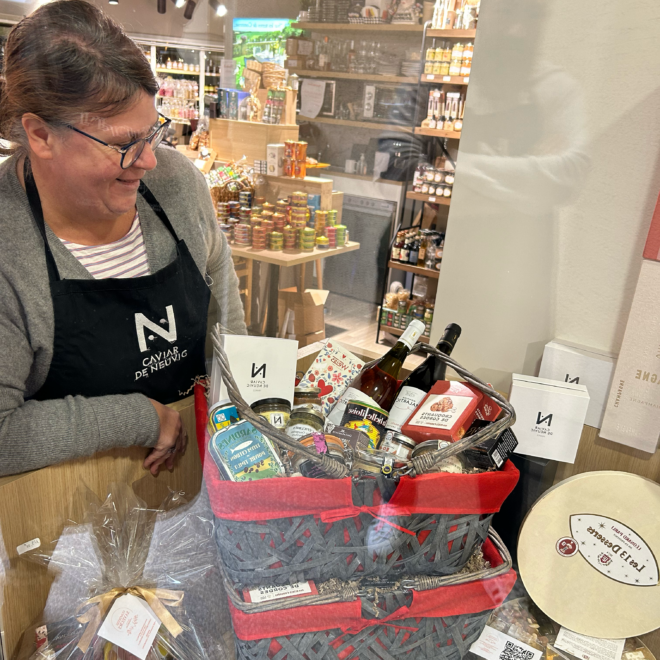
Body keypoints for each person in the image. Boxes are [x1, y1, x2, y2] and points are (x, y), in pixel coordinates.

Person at [0, 0, 247, 477]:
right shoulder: (10, 248)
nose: (149, 160)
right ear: (41, 135)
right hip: (62, 508)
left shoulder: (176, 185)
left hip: (204, 477)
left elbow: (226, 320)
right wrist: (138, 417)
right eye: (122, 143)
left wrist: (241, 417)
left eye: (152, 133)